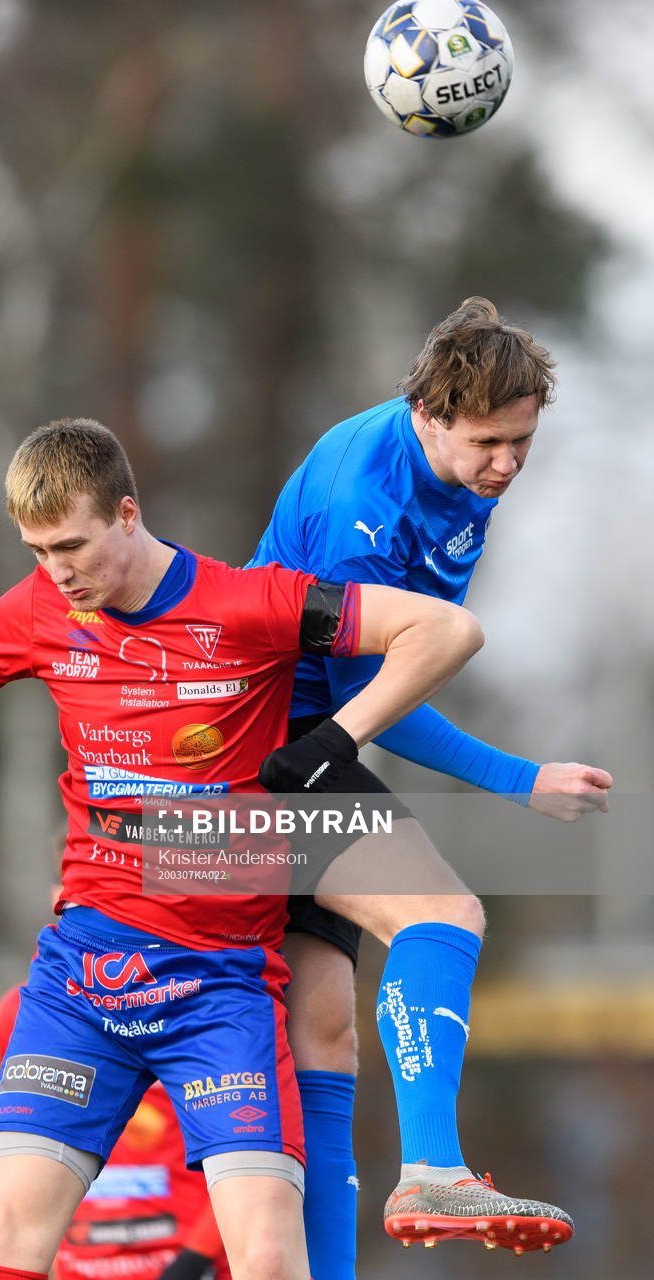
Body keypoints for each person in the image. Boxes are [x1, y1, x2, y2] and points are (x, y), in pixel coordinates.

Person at [0, 415, 506, 1280]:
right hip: (84, 977)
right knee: (4, 1238)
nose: (57, 571)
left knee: (268, 1254)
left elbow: (445, 631)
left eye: (71, 546)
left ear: (126, 513)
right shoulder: (39, 608)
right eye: (38, 551)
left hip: (218, 989)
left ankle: (432, 1167)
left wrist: (336, 738)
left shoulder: (247, 603)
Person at [248, 296, 613, 1265]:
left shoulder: (460, 477)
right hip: (269, 749)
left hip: (302, 745)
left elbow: (391, 683)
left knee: (323, 1041)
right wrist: (520, 777)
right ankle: (430, 1169)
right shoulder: (359, 511)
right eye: (488, 443)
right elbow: (373, 704)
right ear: (428, 414)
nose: (507, 464)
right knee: (441, 916)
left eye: (521, 442)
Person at [0, 859, 228, 1280]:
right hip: (81, 1265)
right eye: (67, 890)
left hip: (190, 1264)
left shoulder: (207, 1003)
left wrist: (196, 1258)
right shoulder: (25, 1013)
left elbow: (245, 1146)